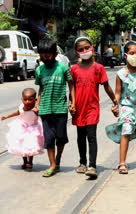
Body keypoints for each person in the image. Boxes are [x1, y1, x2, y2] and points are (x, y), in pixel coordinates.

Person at [71, 37, 118, 178]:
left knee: (91, 137)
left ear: (92, 47)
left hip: (92, 109)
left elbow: (106, 86)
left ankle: (92, 165)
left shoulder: (99, 68)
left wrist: (114, 100)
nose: (84, 51)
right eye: (81, 49)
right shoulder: (74, 69)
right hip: (78, 109)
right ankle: (82, 162)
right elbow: (71, 87)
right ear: (76, 52)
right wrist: (71, 104)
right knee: (80, 137)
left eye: (87, 48)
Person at [105, 41, 136, 174]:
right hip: (127, 107)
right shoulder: (120, 74)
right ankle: (122, 162)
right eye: (132, 53)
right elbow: (118, 92)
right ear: (125, 55)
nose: (135, 55)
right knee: (125, 131)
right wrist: (115, 105)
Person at [35, 38, 75, 177]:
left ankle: (58, 159)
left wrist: (73, 102)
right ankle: (52, 164)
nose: (46, 59)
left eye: (48, 56)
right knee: (49, 138)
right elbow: (40, 88)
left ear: (55, 53)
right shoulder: (39, 70)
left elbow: (71, 85)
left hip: (60, 109)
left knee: (61, 137)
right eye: (43, 57)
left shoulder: (63, 68)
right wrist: (37, 105)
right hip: (45, 109)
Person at [1, 88, 44, 170]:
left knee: (31, 145)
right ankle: (24, 162)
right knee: (22, 145)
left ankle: (30, 162)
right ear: (22, 100)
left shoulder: (36, 108)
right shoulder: (22, 107)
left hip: (33, 128)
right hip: (21, 128)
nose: (27, 102)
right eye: (25, 99)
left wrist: (38, 113)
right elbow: (17, 112)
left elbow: (42, 116)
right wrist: (7, 116)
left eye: (30, 100)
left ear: (35, 100)